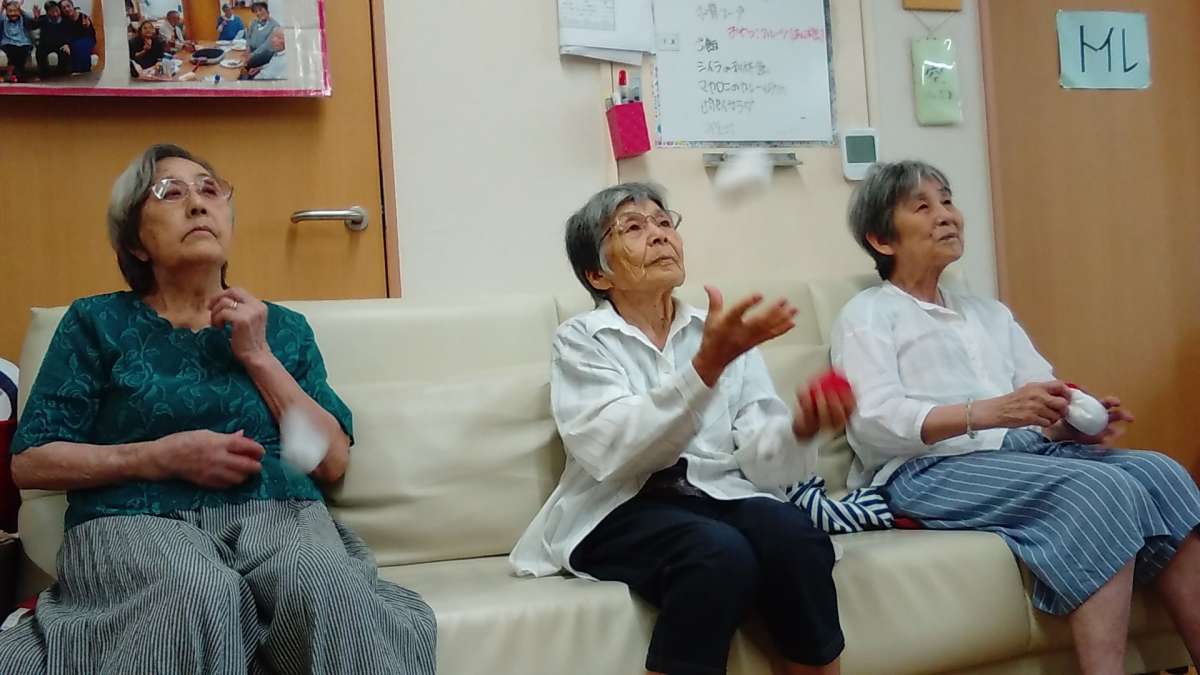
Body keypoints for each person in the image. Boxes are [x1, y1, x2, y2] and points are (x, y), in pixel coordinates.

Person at [0, 144, 437, 674]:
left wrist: (259, 355)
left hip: (280, 516)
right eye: (170, 192)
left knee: (324, 585)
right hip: (135, 520)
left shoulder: (284, 329)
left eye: (210, 189)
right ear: (136, 242)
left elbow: (330, 462)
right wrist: (159, 457)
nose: (197, 203)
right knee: (194, 590)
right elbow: (31, 461)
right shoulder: (95, 322)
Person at [833, 160, 1200, 675]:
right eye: (923, 207)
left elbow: (1040, 395)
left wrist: (1070, 419)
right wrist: (986, 413)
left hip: (1021, 454)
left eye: (947, 200)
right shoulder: (869, 314)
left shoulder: (989, 313)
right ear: (882, 240)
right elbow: (874, 420)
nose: (946, 215)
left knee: (1162, 472)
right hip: (925, 469)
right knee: (1100, 489)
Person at [511, 183, 853, 675]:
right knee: (717, 554)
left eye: (663, 221)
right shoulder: (581, 340)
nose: (658, 235)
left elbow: (764, 467)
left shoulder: (717, 333)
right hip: (619, 508)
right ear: (597, 274)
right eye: (633, 227)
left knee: (795, 538)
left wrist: (802, 429)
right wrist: (704, 370)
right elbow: (615, 452)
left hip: (718, 495)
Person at [34, 1, 71, 78]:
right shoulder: (43, 19)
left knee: (65, 52)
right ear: (47, 13)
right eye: (52, 12)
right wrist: (36, 17)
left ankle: (61, 74)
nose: (55, 14)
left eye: (57, 11)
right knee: (39, 52)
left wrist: (67, 43)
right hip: (45, 45)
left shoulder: (65, 20)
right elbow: (33, 26)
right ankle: (45, 74)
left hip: (60, 44)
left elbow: (69, 34)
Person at [0, 0, 35, 83]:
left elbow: (31, 19)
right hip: (8, 43)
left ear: (19, 12)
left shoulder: (23, 20)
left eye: (15, 11)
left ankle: (12, 74)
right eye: (10, 11)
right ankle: (18, 75)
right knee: (14, 50)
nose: (13, 13)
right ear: (6, 12)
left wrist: (20, 9)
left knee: (22, 51)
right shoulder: (4, 20)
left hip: (23, 44)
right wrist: (2, 8)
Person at [57, 0, 94, 73]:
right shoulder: (63, 20)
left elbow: (92, 33)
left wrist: (87, 26)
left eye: (68, 6)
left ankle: (84, 72)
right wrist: (65, 44)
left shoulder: (83, 17)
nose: (66, 9)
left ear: (72, 6)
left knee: (80, 46)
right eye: (64, 8)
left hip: (87, 39)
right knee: (67, 49)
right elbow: (63, 35)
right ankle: (74, 73)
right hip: (72, 41)